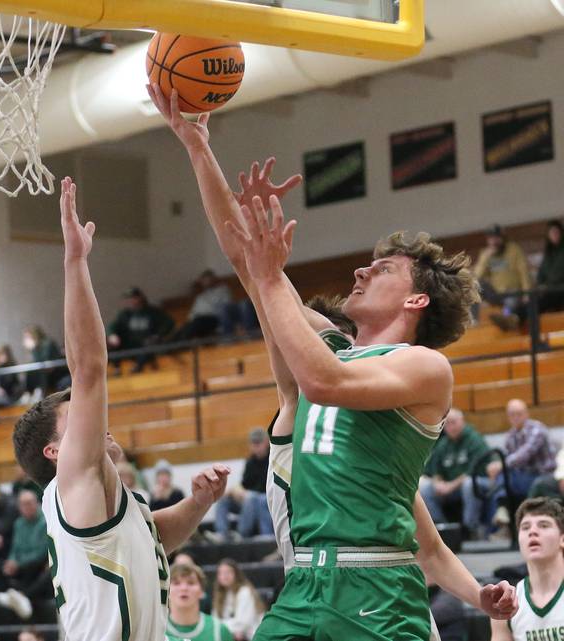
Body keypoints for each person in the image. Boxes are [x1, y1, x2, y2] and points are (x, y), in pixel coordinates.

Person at [147, 82, 517, 641]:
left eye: (384, 269)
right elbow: (247, 265)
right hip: (302, 588)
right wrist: (198, 146)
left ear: (417, 300)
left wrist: (270, 276)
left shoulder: (423, 366)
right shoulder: (335, 350)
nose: (361, 273)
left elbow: (324, 381)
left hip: (375, 592)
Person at [12, 177, 230, 641]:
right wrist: (75, 261)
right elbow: (88, 366)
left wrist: (197, 504)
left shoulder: (98, 498)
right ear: (55, 451)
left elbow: (154, 540)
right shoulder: (75, 475)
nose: (96, 420)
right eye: (74, 414)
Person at [491, 497, 564, 640]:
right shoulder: (507, 604)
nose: (533, 532)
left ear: (562, 539)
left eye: (544, 525)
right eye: (525, 527)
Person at [418, 408, 493, 538]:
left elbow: (472, 472)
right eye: (447, 424)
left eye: (454, 422)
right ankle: (442, 528)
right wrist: (437, 483)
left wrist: (450, 486)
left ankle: (470, 528)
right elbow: (434, 470)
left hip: (478, 482)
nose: (450, 427)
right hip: (449, 487)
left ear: (462, 421)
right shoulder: (443, 444)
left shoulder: (474, 439)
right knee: (424, 487)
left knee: (469, 484)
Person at [487, 399, 557, 532]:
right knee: (499, 479)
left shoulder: (537, 429)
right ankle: (502, 515)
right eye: (512, 414)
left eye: (519, 413)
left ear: (526, 413)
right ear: (508, 417)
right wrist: (495, 467)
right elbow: (506, 457)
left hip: (543, 475)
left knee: (502, 477)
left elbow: (525, 454)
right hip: (523, 477)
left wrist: (500, 465)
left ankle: (502, 514)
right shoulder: (511, 435)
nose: (516, 417)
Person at [213, 428, 273, 541]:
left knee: (251, 498)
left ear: (266, 442)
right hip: (251, 498)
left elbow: (269, 487)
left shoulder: (273, 459)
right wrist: (235, 490)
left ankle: (242, 535)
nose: (256, 447)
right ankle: (221, 534)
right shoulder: (250, 461)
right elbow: (245, 483)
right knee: (224, 498)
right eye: (254, 443)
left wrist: (245, 493)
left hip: (266, 498)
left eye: (258, 443)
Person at [473, 224, 532, 330]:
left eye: (496, 238)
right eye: (491, 239)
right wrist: (485, 258)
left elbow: (524, 272)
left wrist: (526, 293)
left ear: (502, 238)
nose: (494, 241)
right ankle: (473, 320)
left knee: (511, 302)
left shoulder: (514, 250)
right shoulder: (486, 254)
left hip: (513, 292)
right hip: (496, 293)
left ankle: (506, 318)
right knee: (474, 285)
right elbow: (477, 276)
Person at [107, 286, 175, 373]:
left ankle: (138, 367)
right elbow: (113, 326)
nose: (130, 301)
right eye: (128, 299)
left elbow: (169, 323)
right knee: (113, 345)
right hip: (130, 344)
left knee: (149, 344)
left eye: (132, 298)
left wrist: (158, 335)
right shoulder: (125, 314)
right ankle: (117, 368)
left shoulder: (152, 312)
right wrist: (112, 335)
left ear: (140, 298)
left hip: (146, 344)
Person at [0, 490, 49, 601]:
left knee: (36, 568)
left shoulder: (45, 522)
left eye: (29, 503)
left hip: (37, 564)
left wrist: (18, 563)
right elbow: (14, 548)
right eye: (23, 504)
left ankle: (23, 597)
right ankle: (8, 597)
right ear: (19, 507)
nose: (27, 507)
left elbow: (41, 553)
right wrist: (11, 561)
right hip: (20, 563)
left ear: (37, 503)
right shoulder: (18, 523)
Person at [167, 563, 233, 641]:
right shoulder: (156, 628)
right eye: (176, 583)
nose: (184, 588)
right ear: (167, 590)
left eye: (191, 583)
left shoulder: (220, 630)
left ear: (202, 591)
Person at [172, 269, 233, 341]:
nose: (206, 282)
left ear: (214, 279)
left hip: (213, 318)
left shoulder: (222, 291)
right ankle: (166, 345)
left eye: (207, 279)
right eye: (204, 280)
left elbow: (226, 307)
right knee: (184, 327)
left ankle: (179, 345)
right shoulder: (200, 297)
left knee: (197, 323)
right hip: (198, 320)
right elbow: (192, 313)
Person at [211, 560, 264, 641]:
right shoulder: (220, 595)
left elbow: (242, 624)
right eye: (221, 573)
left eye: (228, 572)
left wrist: (220, 626)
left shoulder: (245, 591)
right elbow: (214, 620)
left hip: (253, 636)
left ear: (236, 574)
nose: (224, 576)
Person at [22, 325, 68, 396]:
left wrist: (33, 349)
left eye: (27, 337)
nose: (25, 340)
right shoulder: (38, 346)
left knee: (39, 370)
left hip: (57, 371)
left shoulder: (47, 343)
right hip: (48, 372)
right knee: (30, 371)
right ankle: (29, 393)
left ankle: (36, 393)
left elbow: (43, 361)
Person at [536, 219, 564, 313]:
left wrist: (547, 286)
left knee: (540, 302)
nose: (554, 235)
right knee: (532, 297)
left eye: (556, 232)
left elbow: (558, 274)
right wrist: (540, 285)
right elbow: (541, 272)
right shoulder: (548, 252)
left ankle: (515, 316)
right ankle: (514, 316)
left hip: (559, 289)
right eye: (551, 233)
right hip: (551, 290)